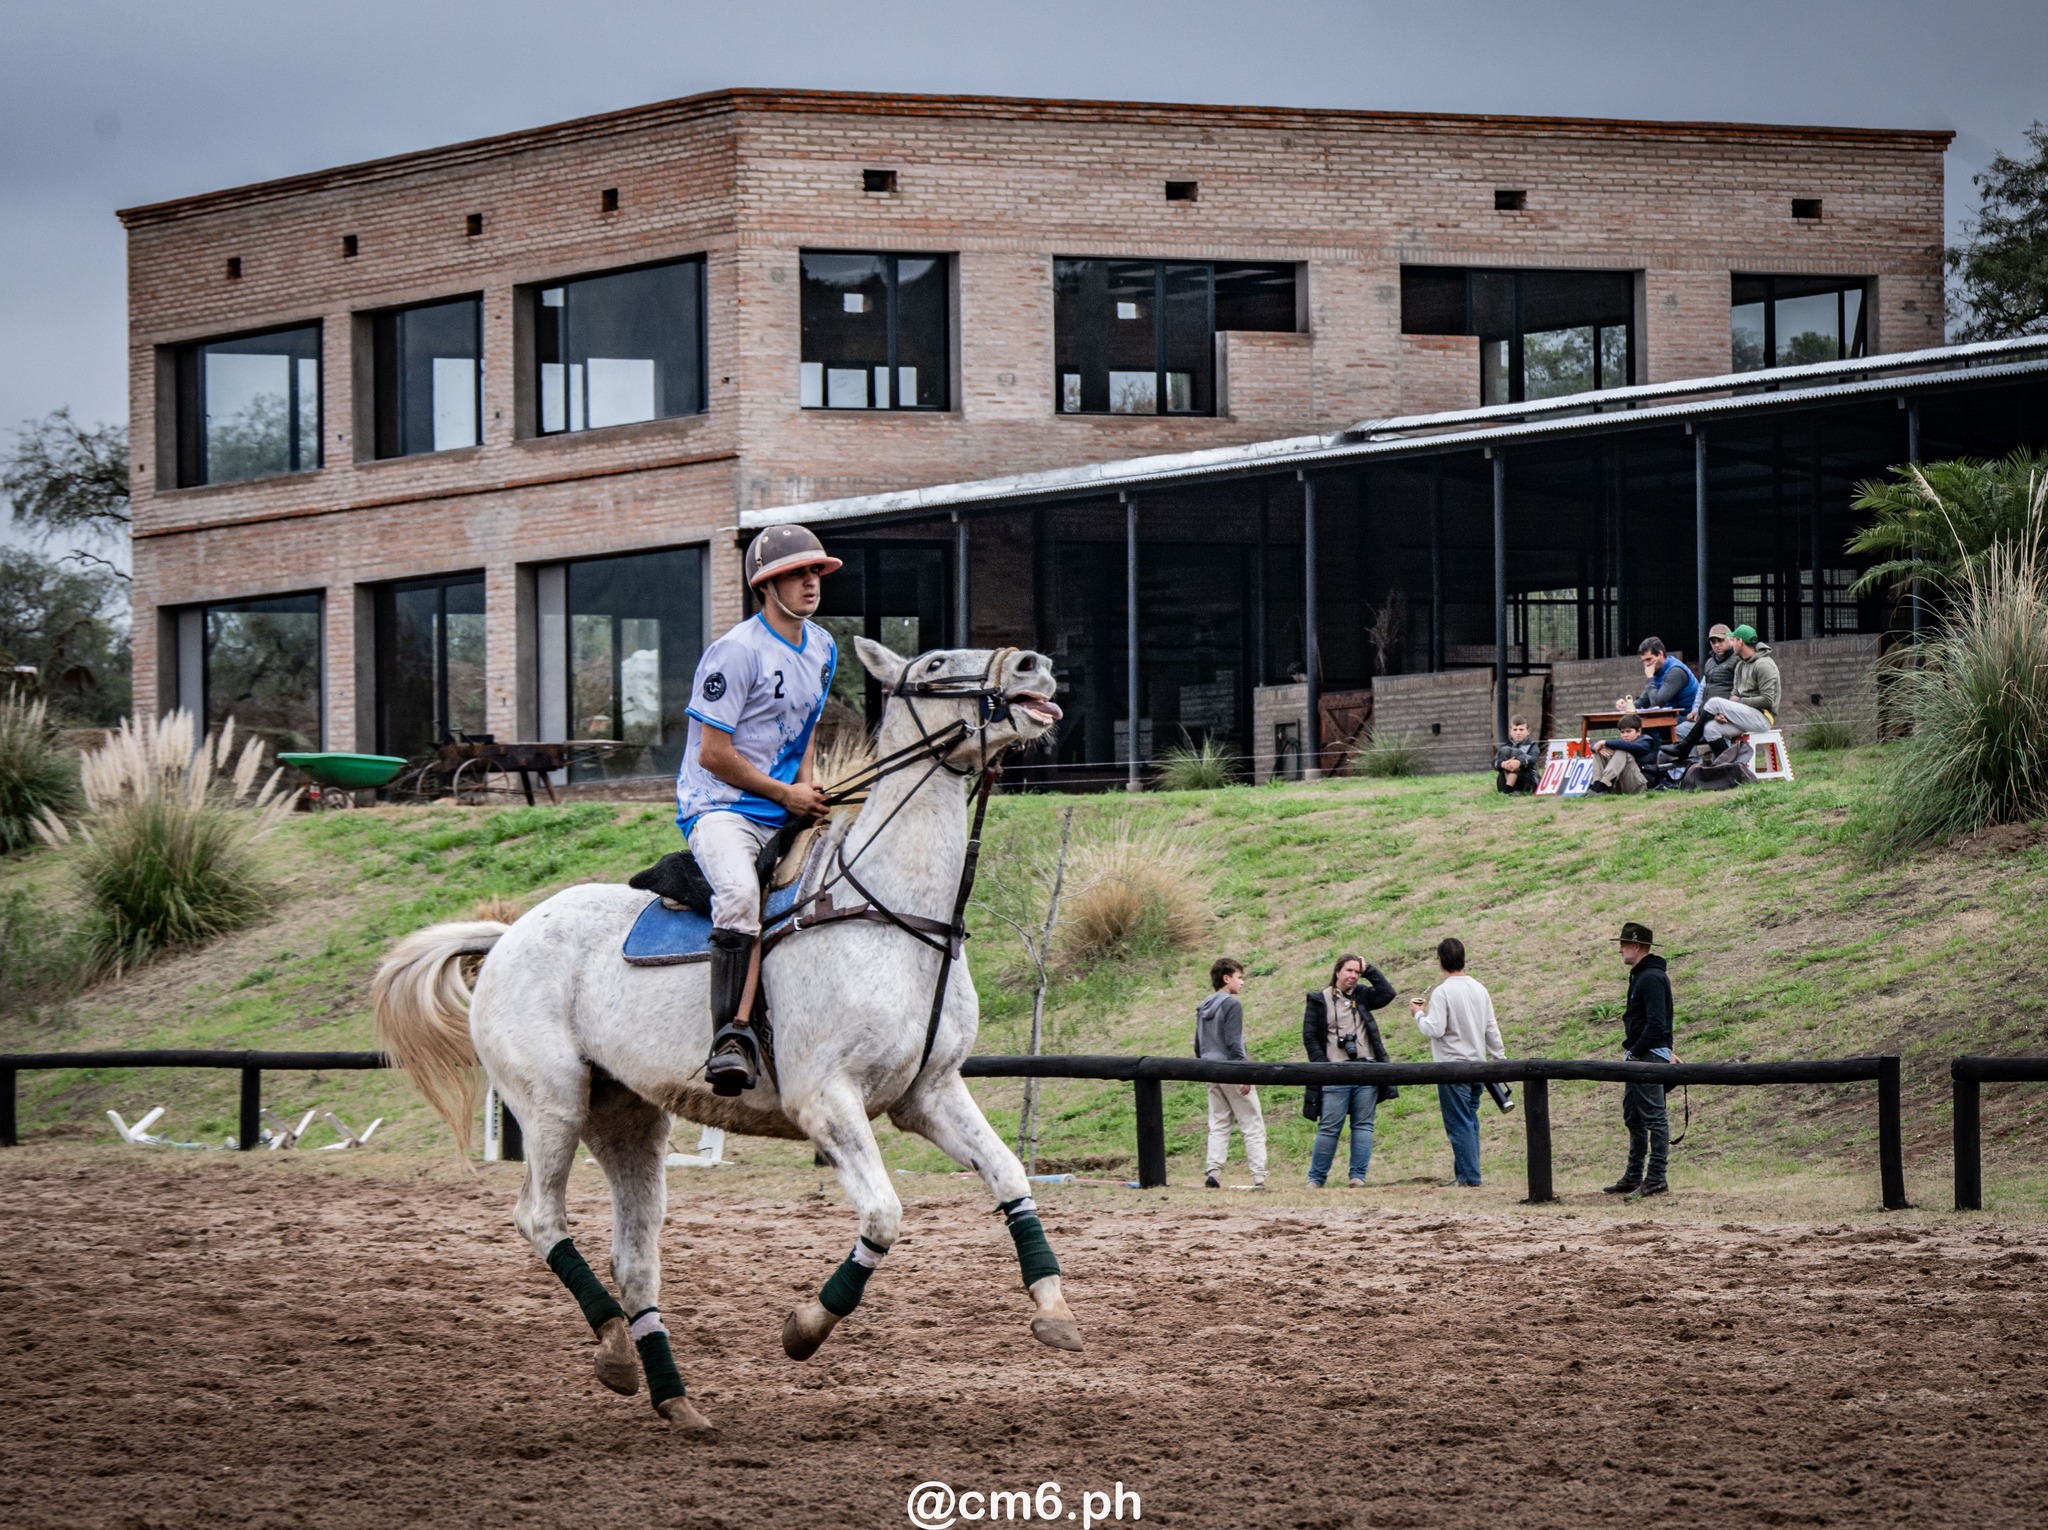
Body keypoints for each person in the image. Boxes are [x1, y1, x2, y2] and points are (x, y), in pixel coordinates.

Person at [676, 523, 841, 1095]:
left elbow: (805, 731)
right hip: (720, 804)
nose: (810, 582)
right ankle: (730, 1039)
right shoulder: (735, 652)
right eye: (795, 573)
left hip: (783, 800)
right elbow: (714, 755)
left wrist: (810, 791)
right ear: (765, 586)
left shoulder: (822, 646)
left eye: (815, 571)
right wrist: (783, 794)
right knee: (743, 897)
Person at [1409, 938, 1506, 1187]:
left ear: (1441, 961)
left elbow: (1436, 1029)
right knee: (1470, 1120)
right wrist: (1500, 1059)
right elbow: (1491, 1028)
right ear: (1464, 958)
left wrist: (1418, 1014)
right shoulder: (1479, 988)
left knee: (1459, 1123)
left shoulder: (1442, 992)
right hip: (1478, 1066)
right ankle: (1464, 1174)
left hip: (1452, 1068)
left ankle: (1469, 1177)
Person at [1301, 953, 1397, 1187]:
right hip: (1335, 1071)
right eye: (1349, 971)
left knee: (1363, 1125)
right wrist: (1323, 1067)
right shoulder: (1319, 999)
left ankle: (1357, 1177)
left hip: (1367, 1068)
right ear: (1337, 972)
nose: (1353, 976)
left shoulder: (1363, 995)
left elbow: (1388, 993)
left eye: (1357, 972)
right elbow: (1310, 1037)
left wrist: (1369, 969)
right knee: (1329, 1127)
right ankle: (1316, 1178)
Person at [1607, 921, 1675, 1200]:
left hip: (1645, 1056)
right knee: (1634, 1116)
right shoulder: (1643, 975)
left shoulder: (1650, 977)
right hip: (1642, 1053)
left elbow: (1656, 1023)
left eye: (1624, 944)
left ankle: (1656, 1177)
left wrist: (1638, 1051)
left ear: (1635, 945)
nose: (1621, 949)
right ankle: (1635, 1174)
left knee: (1653, 1116)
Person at [1195, 957, 1266, 1189]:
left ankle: (1214, 1171)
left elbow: (1198, 1044)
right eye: (1239, 977)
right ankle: (1259, 1175)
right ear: (1226, 978)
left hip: (1209, 1069)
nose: (1242, 982)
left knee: (1218, 1123)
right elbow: (1234, 1042)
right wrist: (1244, 1072)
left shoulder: (1203, 1005)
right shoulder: (1231, 1005)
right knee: (1252, 1122)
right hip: (1231, 1069)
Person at [1664, 624, 1780, 761]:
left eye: (1733, 640)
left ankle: (1684, 747)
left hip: (1763, 717)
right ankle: (1730, 769)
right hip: (1743, 714)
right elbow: (1734, 694)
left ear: (1740, 642)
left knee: (1714, 702)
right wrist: (1726, 713)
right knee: (1710, 729)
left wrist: (1740, 701)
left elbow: (1767, 700)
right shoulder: (1741, 665)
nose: (1731, 643)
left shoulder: (1763, 664)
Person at [1663, 624, 1738, 766]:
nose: (1716, 645)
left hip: (1724, 718)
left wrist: (1727, 713)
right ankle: (1693, 768)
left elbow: (1738, 691)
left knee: (1716, 731)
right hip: (1705, 716)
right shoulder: (1710, 662)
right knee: (1679, 731)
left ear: (1730, 639)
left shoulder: (1737, 661)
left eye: (1720, 641)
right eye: (1713, 642)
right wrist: (1695, 709)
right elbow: (1702, 687)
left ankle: (1724, 768)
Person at [1614, 637, 1698, 738]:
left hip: (1688, 718)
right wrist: (1627, 706)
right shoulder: (1658, 671)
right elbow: (1643, 701)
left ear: (1660, 654)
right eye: (1644, 661)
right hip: (1672, 717)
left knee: (1644, 726)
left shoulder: (1675, 672)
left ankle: (1653, 753)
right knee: (1635, 724)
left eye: (1649, 659)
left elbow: (1657, 703)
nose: (1647, 664)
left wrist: (1650, 678)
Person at [1589, 714, 1658, 794]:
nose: (1625, 735)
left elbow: (1633, 747)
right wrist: (1596, 746)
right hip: (1622, 783)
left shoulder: (1646, 742)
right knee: (1599, 751)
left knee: (1622, 752)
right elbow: (1594, 745)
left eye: (1629, 731)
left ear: (1639, 731)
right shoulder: (1621, 743)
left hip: (1640, 784)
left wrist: (1605, 742)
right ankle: (1597, 785)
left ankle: (1603, 784)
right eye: (1622, 732)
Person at [1494, 715, 1543, 794]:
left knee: (1516, 752)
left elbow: (1533, 758)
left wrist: (1519, 762)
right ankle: (1507, 790)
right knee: (1505, 751)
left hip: (1528, 780)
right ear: (1510, 731)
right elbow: (1494, 762)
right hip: (1505, 780)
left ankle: (1509, 790)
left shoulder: (1532, 745)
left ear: (1527, 731)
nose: (1518, 732)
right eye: (1515, 729)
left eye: (1521, 729)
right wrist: (1502, 764)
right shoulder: (1506, 746)